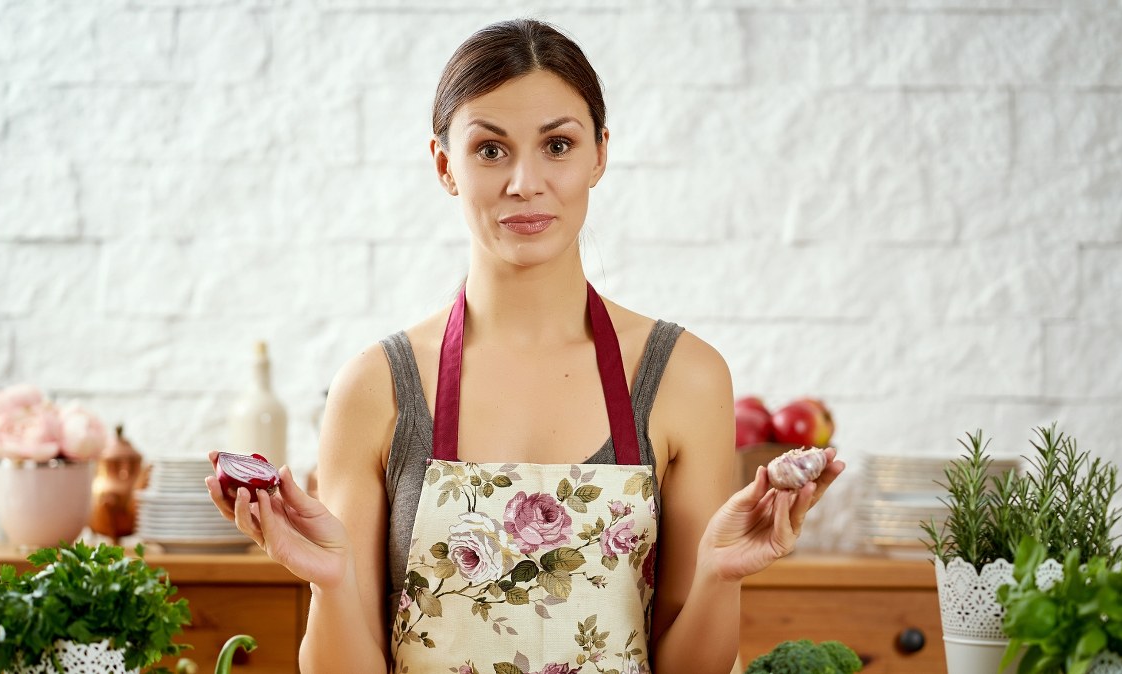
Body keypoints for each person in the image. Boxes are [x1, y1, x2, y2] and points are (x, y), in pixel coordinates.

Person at [206, 18, 843, 674]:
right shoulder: (376, 387)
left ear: (600, 153)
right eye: (490, 150)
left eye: (557, 145)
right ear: (444, 165)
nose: (524, 182)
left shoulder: (684, 376)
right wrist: (331, 582)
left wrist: (721, 575)